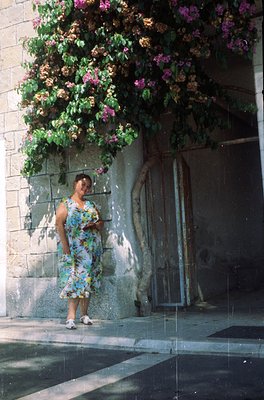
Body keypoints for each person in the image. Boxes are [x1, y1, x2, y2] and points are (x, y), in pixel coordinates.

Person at [55, 173, 104, 329]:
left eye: (88, 186)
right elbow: (59, 225)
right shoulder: (66, 204)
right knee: (75, 282)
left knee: (87, 281)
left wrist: (95, 225)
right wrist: (65, 248)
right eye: (83, 184)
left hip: (91, 249)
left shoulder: (90, 205)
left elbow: (101, 223)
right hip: (74, 250)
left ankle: (84, 314)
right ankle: (70, 318)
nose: (85, 188)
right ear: (75, 184)